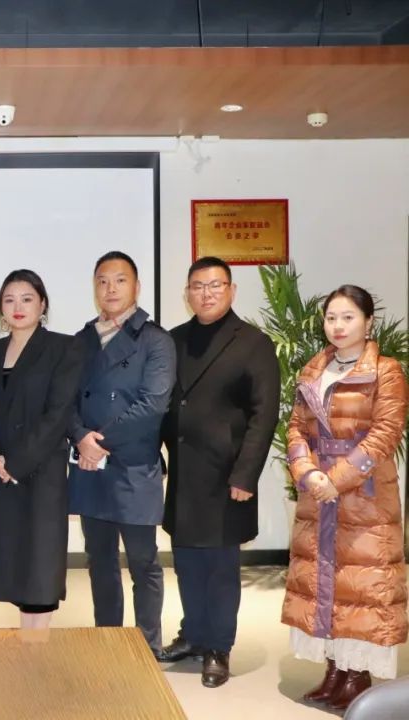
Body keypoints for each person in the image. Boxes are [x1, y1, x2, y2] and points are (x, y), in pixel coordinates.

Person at [283, 284, 408, 711]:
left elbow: (385, 434)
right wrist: (306, 471)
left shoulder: (386, 371)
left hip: (363, 496)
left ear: (369, 322)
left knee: (361, 585)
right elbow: (296, 428)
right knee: (327, 584)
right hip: (318, 492)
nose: (338, 325)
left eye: (348, 317)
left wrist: (336, 480)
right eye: (331, 317)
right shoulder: (313, 370)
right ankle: (335, 671)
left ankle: (358, 675)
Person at [158, 257, 280, 687]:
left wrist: (245, 475)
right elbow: (163, 403)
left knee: (220, 568)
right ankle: (193, 635)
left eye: (215, 285)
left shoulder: (253, 343)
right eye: (197, 286)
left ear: (231, 290)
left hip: (227, 477)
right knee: (187, 562)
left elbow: (264, 415)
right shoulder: (174, 340)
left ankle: (218, 647)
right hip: (184, 472)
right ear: (187, 293)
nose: (206, 293)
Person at [68, 250, 175, 656]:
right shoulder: (81, 340)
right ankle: (108, 642)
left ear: (137, 287)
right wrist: (80, 436)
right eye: (102, 281)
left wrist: (99, 443)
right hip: (89, 465)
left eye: (120, 280)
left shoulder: (155, 340)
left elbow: (153, 405)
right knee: (99, 560)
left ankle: (148, 646)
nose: (110, 289)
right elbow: (65, 401)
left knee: (144, 562)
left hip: (132, 465)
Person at [0, 270, 82, 629]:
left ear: (42, 304)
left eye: (27, 299)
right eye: (9, 300)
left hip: (40, 472)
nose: (18, 307)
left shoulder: (63, 348)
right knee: (12, 565)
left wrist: (17, 463)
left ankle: (36, 648)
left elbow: (59, 413)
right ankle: (28, 648)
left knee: (40, 568)